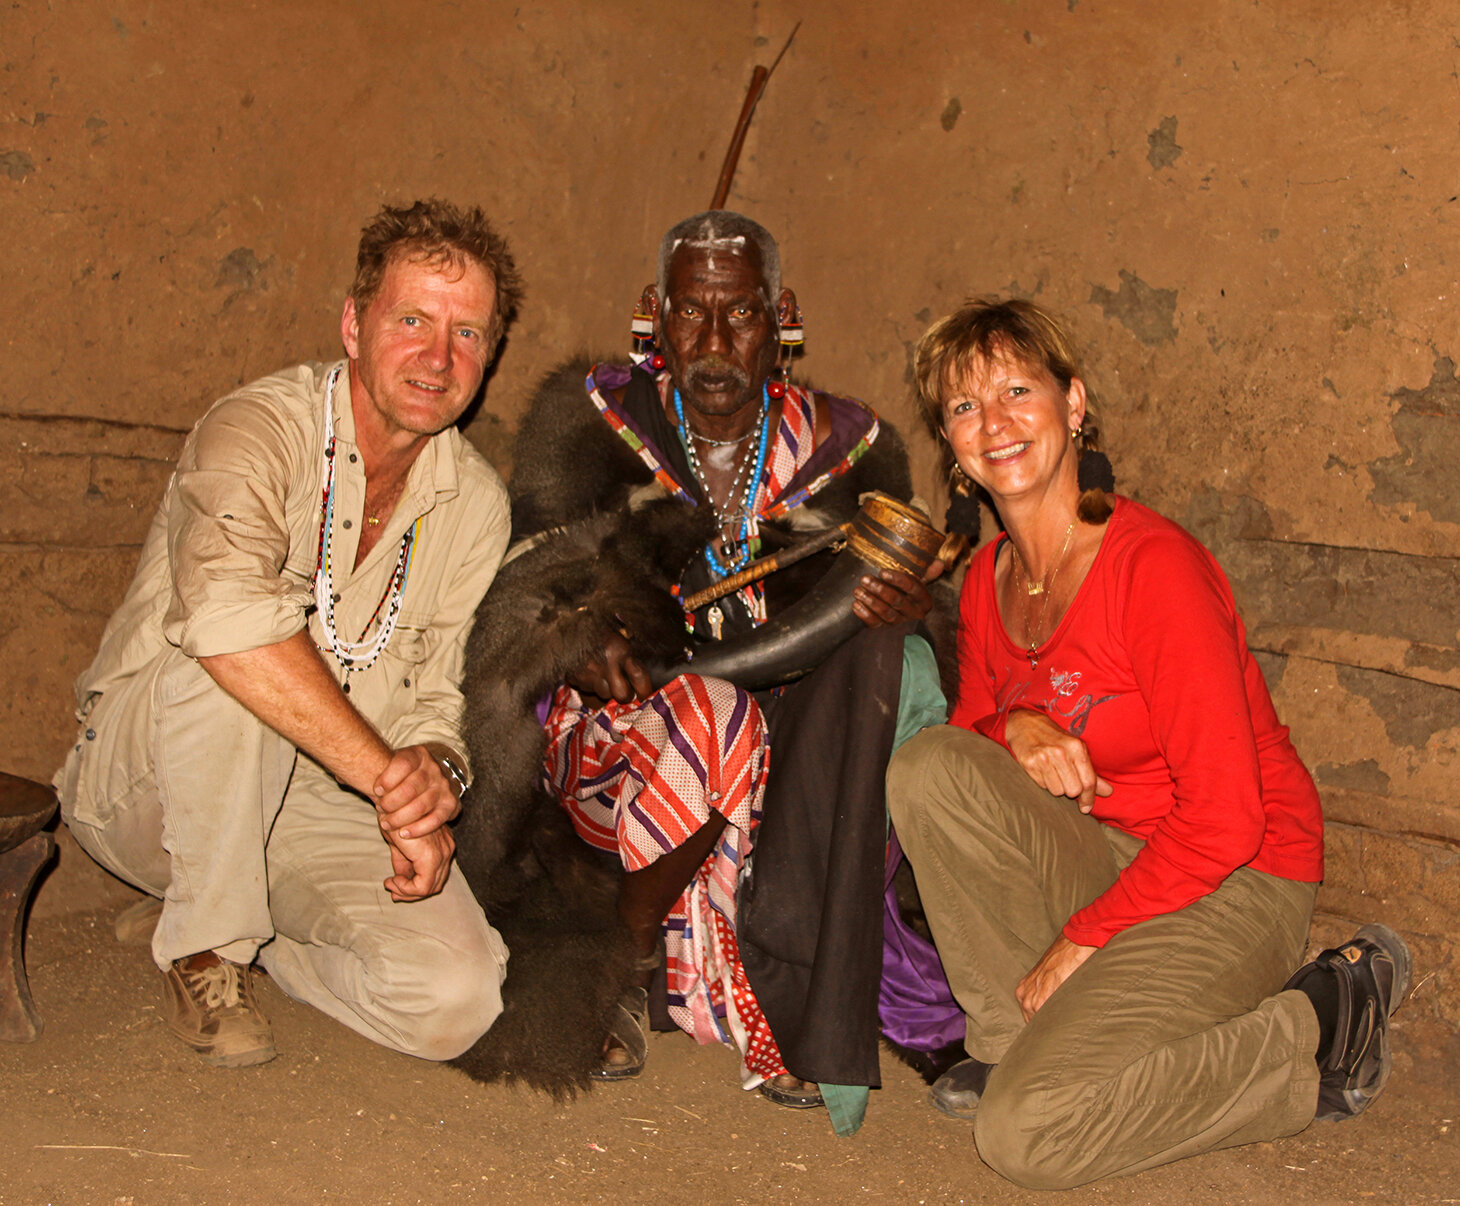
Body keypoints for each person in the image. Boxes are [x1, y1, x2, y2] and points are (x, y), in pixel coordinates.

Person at [885, 297, 1412, 1188]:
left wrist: (1086, 936)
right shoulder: (989, 579)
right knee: (930, 769)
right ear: (952, 443)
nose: (995, 423)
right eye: (966, 407)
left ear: (1075, 404)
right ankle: (1016, 1042)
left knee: (1026, 1136)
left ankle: (1315, 1028)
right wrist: (1015, 723)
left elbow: (1227, 817)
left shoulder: (1150, 569)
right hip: (1111, 855)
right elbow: (969, 730)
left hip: (1239, 873)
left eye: (1019, 390)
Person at [452, 210, 947, 1130]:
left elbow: (898, 601)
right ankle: (624, 965)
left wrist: (908, 616)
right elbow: (520, 594)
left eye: (742, 315)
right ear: (655, 314)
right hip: (613, 750)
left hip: (783, 760)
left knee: (883, 664)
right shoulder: (594, 421)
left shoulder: (852, 449)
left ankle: (783, 966)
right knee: (714, 716)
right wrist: (575, 628)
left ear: (781, 314)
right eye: (690, 315)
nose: (714, 344)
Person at [54, 199, 523, 1069]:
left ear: (489, 356)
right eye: (412, 319)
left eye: (467, 334)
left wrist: (434, 775)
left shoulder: (477, 506)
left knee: (456, 1001)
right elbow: (230, 625)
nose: (437, 357)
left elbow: (440, 693)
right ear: (354, 324)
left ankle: (239, 916)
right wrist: (387, 776)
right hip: (149, 779)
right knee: (236, 659)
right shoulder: (260, 430)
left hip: (317, 797)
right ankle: (208, 948)